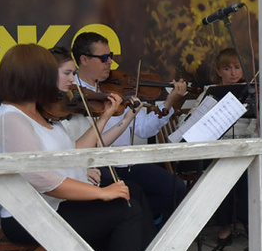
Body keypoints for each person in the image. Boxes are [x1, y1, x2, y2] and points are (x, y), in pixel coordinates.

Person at [0, 43, 148, 251]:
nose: (66, 81)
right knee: (125, 212)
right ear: (33, 75)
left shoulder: (38, 111)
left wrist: (106, 115)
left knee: (131, 199)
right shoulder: (11, 117)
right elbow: (39, 177)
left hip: (50, 207)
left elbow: (73, 152)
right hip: (27, 217)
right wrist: (101, 193)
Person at [71, 32, 188, 224]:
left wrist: (168, 103)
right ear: (84, 59)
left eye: (110, 56)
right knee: (131, 199)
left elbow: (143, 129)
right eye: (104, 58)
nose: (110, 62)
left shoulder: (118, 88)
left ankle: (147, 226)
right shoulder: (72, 93)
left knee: (175, 188)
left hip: (125, 163)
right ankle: (138, 223)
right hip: (95, 166)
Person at [208, 47, 259, 242]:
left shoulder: (250, 92)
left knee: (250, 170)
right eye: (227, 68)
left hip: (245, 145)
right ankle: (225, 224)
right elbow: (194, 120)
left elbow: (255, 125)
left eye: (237, 67)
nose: (233, 73)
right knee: (222, 169)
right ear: (218, 70)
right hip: (218, 146)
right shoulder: (210, 93)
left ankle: (248, 219)